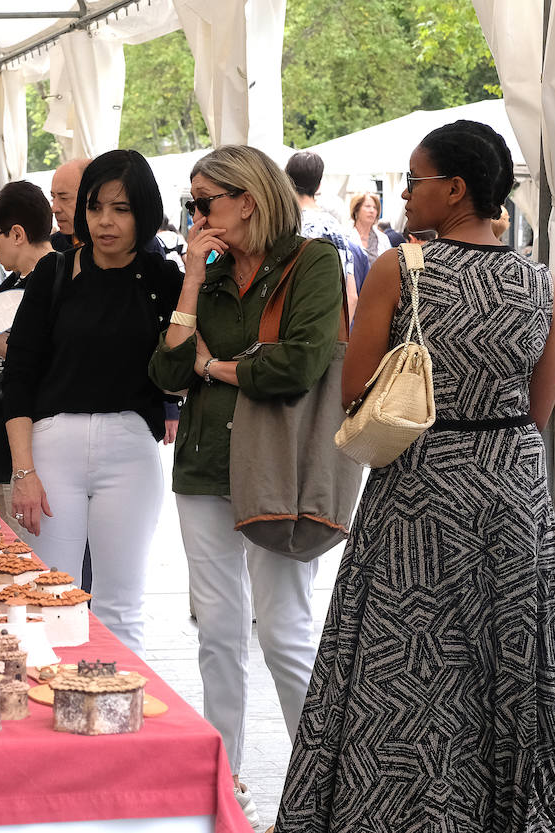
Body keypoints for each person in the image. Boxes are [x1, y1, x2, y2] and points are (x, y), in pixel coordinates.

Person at [278, 120, 555, 832]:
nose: (405, 195)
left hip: (419, 488)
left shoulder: (401, 268)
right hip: (511, 495)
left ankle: (397, 810)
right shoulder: (543, 283)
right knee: (505, 660)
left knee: (407, 661)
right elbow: (539, 408)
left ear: (456, 189)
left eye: (415, 181)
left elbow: (355, 387)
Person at [148, 144, 346, 830]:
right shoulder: (211, 272)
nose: (195, 215)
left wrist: (220, 368)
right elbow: (167, 374)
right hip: (205, 466)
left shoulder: (311, 262)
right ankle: (225, 784)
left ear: (249, 199)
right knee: (219, 632)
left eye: (204, 202)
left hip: (276, 469)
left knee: (286, 631)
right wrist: (190, 286)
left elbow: (300, 363)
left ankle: (325, 787)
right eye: (191, 205)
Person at [4, 149, 178, 655]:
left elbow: (181, 371)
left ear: (143, 212)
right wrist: (23, 471)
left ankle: (119, 718)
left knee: (121, 604)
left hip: (131, 449)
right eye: (97, 206)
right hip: (52, 446)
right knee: (51, 599)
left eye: (121, 209)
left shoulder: (163, 280)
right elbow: (20, 377)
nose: (106, 221)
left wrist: (189, 287)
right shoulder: (54, 274)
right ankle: (52, 714)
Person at [0, 180, 54, 533]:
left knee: (26, 549)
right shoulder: (11, 283)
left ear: (17, 234)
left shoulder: (58, 280)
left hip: (33, 437)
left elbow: (51, 359)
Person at [285, 150, 359, 319]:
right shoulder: (334, 227)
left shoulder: (281, 224)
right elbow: (351, 295)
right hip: (326, 329)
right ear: (318, 186)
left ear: (286, 181)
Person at [48, 158, 90, 251]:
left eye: (64, 198)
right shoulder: (51, 250)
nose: (54, 208)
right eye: (53, 197)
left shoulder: (117, 249)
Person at [349, 192, 390, 266]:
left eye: (375, 208)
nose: (372, 211)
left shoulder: (383, 239)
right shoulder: (346, 237)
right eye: (368, 206)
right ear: (356, 210)